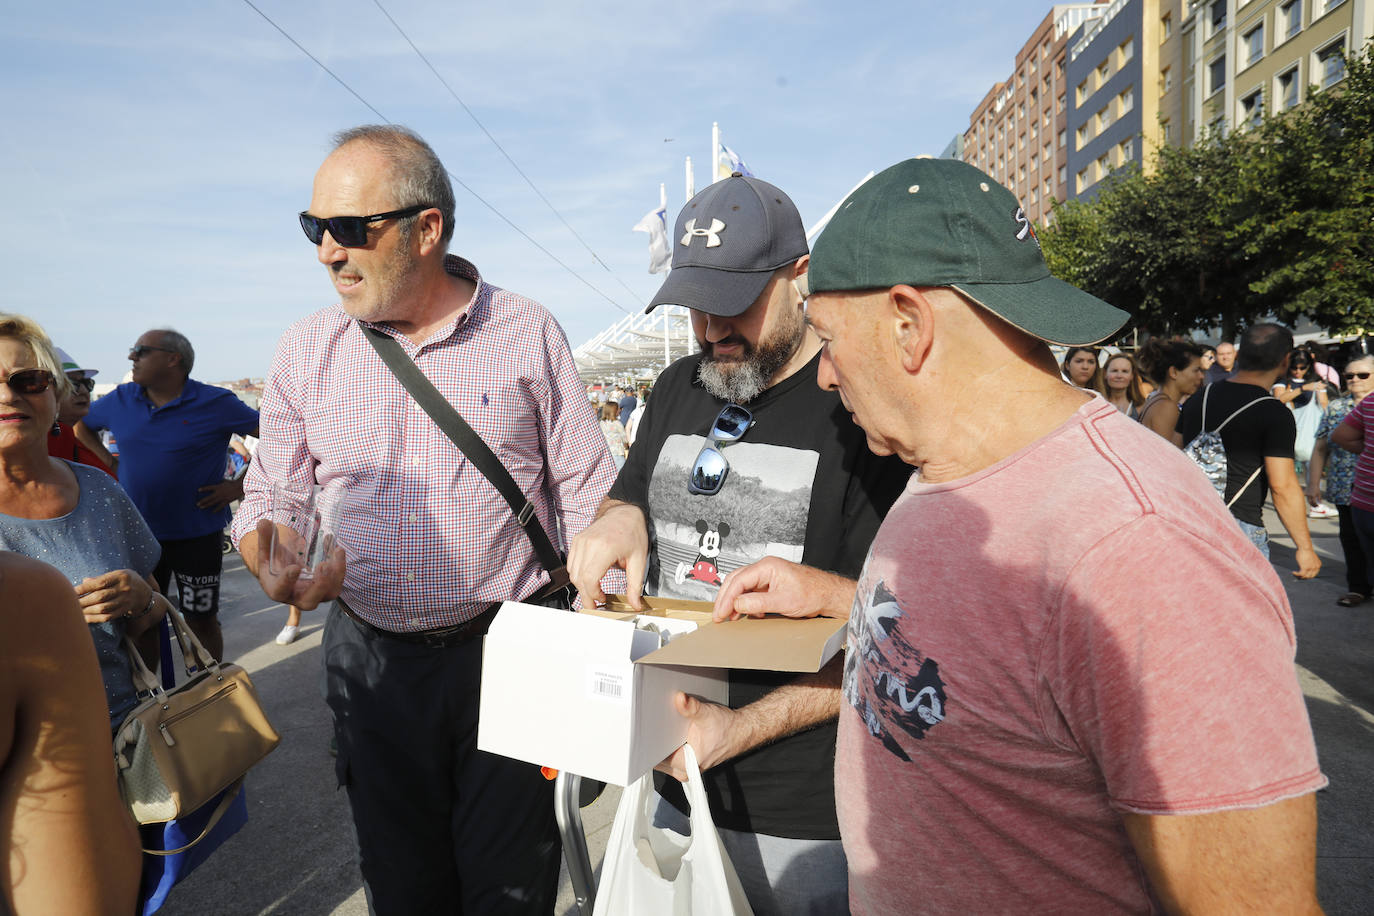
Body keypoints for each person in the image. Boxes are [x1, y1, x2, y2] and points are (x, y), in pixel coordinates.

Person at [715, 159, 1325, 914]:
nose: (826, 376)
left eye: (832, 340)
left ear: (909, 325)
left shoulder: (1138, 544)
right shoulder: (939, 467)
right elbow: (985, 655)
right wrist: (837, 598)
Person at [230, 124, 619, 915]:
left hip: (513, 649)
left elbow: (587, 492)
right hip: (371, 665)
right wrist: (266, 558)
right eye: (314, 229)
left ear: (427, 228)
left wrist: (601, 624)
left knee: (512, 887)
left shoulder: (527, 329)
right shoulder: (307, 348)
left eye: (346, 230)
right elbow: (271, 495)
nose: (325, 253)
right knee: (403, 887)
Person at [568, 173, 910, 915]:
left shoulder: (858, 413)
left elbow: (890, 628)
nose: (711, 328)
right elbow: (629, 492)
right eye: (696, 303)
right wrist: (619, 516)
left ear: (799, 278)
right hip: (670, 787)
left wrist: (735, 731)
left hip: (804, 823)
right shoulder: (675, 388)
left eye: (734, 304)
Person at [0, 314, 166, 732]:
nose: (7, 396)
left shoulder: (98, 489)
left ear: (56, 396)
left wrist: (141, 598)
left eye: (28, 380)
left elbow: (155, 610)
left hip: (122, 737)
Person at [75, 328, 259, 661]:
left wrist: (238, 485)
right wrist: (109, 463)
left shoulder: (216, 402)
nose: (132, 356)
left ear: (173, 359)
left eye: (140, 351)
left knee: (201, 619)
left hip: (198, 536)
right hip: (136, 535)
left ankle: (209, 688)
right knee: (143, 620)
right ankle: (153, 700)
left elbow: (278, 438)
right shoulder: (121, 399)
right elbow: (81, 426)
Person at [0, 552, 142, 915]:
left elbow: (152, 602)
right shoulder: (24, 590)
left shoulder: (26, 592)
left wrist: (142, 598)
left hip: (109, 738)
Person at [1179, 325, 1321, 576]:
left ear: (1239, 355)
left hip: (1191, 521)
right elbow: (1283, 486)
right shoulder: (1273, 412)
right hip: (1239, 527)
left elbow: (1173, 452)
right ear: (1285, 360)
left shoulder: (1198, 397)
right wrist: (1305, 547)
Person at [1309, 355, 1374, 605]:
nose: (1355, 380)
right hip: (1345, 486)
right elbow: (1321, 447)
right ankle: (1358, 588)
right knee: (1351, 539)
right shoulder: (1336, 407)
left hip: (1367, 485)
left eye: (1362, 375)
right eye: (1349, 375)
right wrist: (1314, 484)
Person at [46, 346, 113, 475]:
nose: (83, 391)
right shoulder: (33, 446)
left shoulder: (67, 441)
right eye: (71, 384)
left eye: (87, 383)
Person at [1272, 348, 1329, 483]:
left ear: (1309, 366)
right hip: (1285, 432)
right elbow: (1279, 400)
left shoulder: (1316, 381)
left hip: (1310, 433)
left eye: (1302, 368)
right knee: (1285, 476)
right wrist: (1303, 389)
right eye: (1294, 367)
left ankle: (1315, 500)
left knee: (1313, 471)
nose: (1298, 371)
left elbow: (1324, 404)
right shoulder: (1282, 381)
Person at [1134, 337, 1205, 441]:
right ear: (1174, 372)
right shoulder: (1166, 407)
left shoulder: (1157, 401)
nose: (1201, 376)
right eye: (1196, 370)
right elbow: (1166, 454)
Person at [1096, 351, 1146, 418]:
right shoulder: (1096, 405)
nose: (1119, 376)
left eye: (1125, 371)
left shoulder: (1141, 408)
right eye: (1114, 371)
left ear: (1132, 375)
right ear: (1105, 374)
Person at [598, 399, 628, 468]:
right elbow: (624, 439)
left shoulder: (601, 423)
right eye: (618, 409)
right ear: (614, 411)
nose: (620, 410)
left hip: (606, 454)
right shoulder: (617, 423)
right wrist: (626, 447)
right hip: (617, 453)